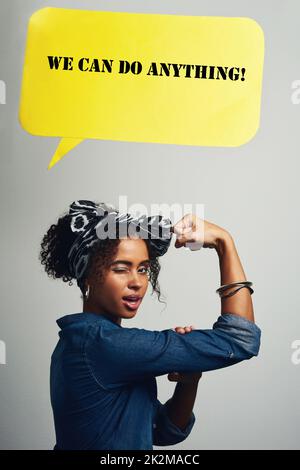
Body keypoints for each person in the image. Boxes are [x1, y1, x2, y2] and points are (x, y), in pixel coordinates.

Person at [39, 199, 261, 450]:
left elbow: (162, 431)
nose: (137, 282)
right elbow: (241, 339)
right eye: (122, 269)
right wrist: (224, 243)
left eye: (143, 269)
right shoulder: (103, 344)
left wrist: (189, 382)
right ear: (87, 276)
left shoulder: (82, 342)